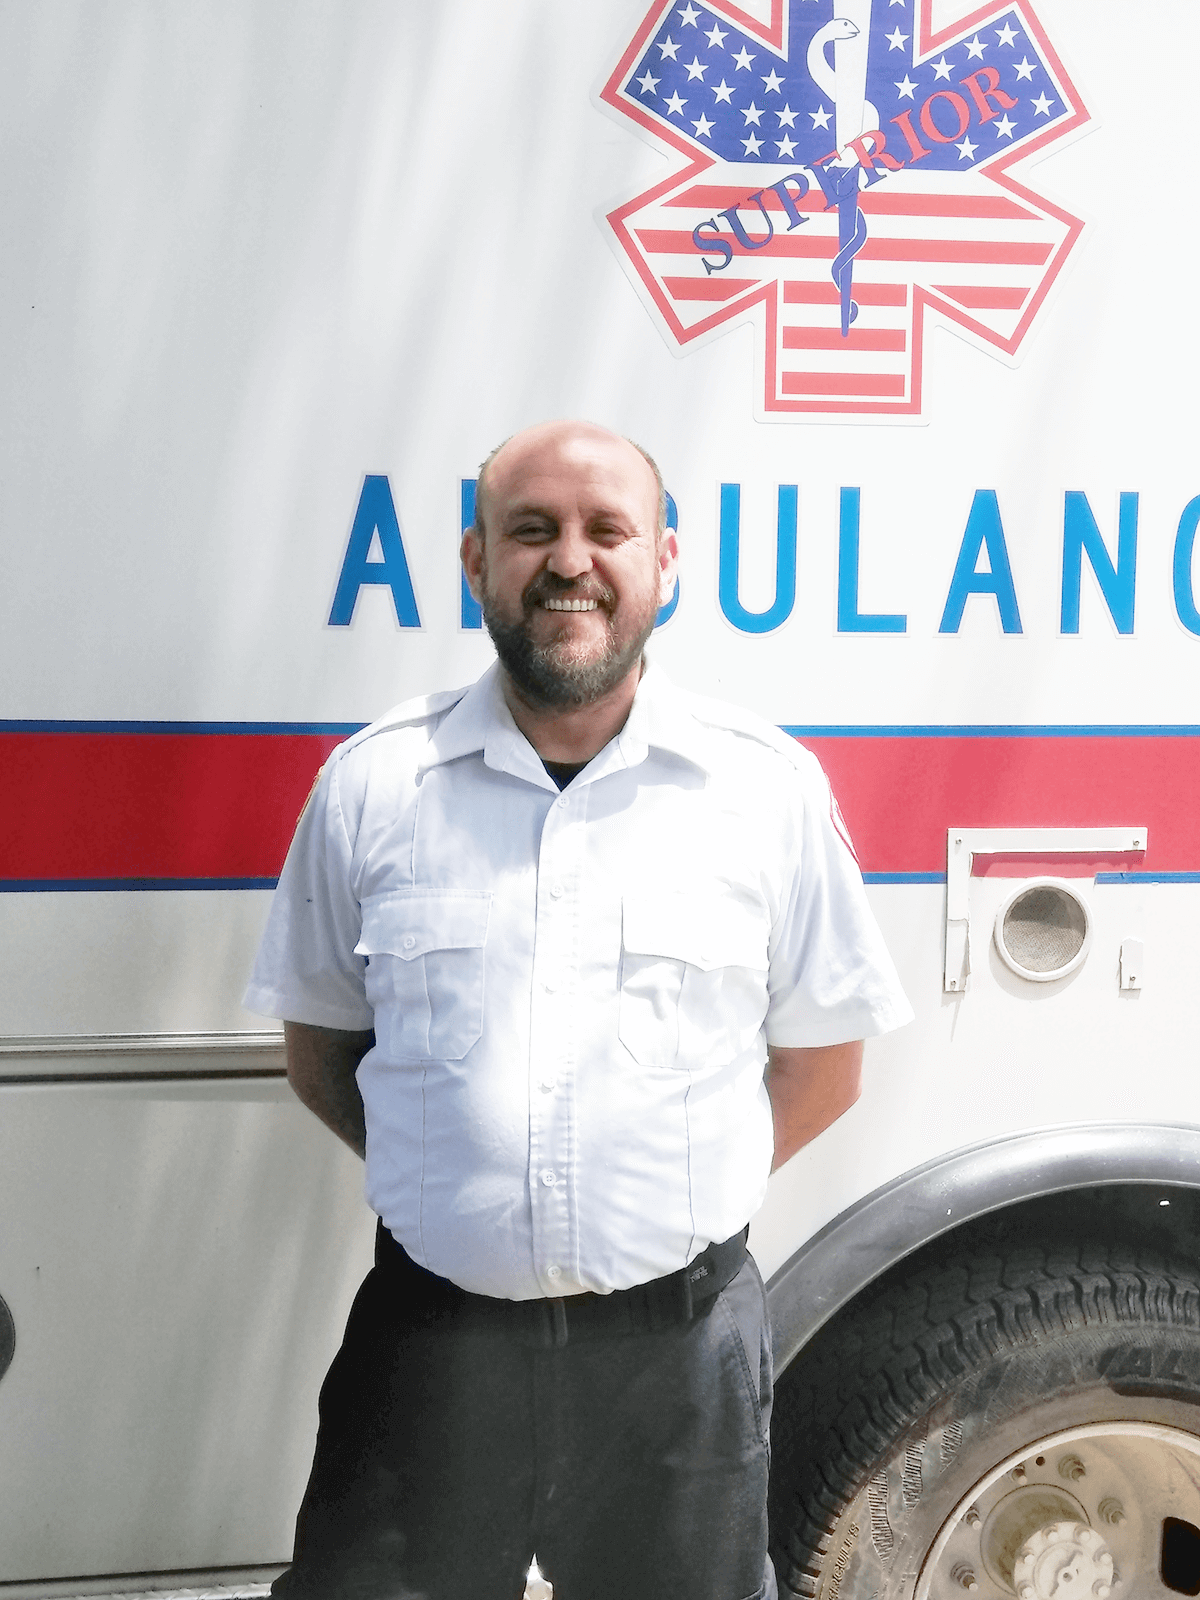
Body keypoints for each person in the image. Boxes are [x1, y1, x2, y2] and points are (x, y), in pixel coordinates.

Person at [244, 420, 912, 1600]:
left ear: (665, 561)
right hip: (429, 1352)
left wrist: (655, 1201)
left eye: (606, 530)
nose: (569, 560)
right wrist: (465, 1183)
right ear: (474, 561)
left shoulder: (762, 788)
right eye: (531, 530)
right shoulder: (374, 785)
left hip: (680, 1361)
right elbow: (323, 1049)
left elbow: (822, 1067)